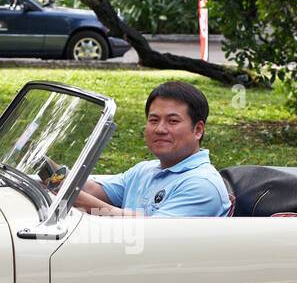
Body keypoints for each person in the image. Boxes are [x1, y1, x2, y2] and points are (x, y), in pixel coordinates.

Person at [74, 81, 231, 218]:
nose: (160, 129)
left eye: (173, 121)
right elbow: (91, 189)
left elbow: (151, 232)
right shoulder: (145, 170)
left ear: (198, 130)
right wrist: (50, 171)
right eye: (154, 120)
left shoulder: (201, 185)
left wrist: (75, 198)